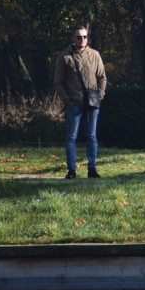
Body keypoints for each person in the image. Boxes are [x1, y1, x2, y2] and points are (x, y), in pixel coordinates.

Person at [54, 26, 107, 179]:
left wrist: (100, 96)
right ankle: (71, 169)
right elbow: (58, 82)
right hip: (74, 104)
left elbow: (102, 77)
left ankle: (92, 168)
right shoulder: (65, 57)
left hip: (92, 103)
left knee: (92, 136)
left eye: (85, 37)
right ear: (73, 38)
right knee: (72, 137)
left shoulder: (94, 55)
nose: (82, 39)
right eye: (79, 37)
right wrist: (68, 101)